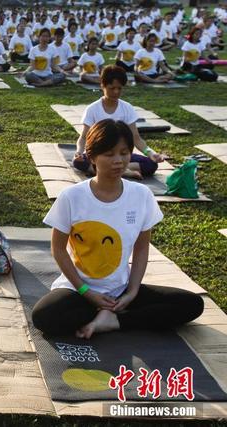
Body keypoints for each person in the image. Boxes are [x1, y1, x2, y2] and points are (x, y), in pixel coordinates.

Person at [31, 119, 203, 339]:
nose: (118, 161)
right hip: (79, 290)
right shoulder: (72, 197)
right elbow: (58, 249)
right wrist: (87, 292)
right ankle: (101, 312)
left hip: (120, 289)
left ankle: (114, 320)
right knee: (44, 316)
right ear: (92, 156)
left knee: (191, 304)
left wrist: (132, 292)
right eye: (109, 154)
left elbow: (141, 249)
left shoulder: (141, 196)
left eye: (124, 153)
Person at [74, 65, 164, 180]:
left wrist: (151, 153)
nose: (116, 92)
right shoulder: (93, 109)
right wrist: (79, 152)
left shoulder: (127, 108)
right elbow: (83, 138)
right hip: (101, 155)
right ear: (103, 86)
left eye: (119, 88)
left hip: (121, 155)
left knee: (151, 164)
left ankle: (108, 170)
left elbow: (136, 138)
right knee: (79, 163)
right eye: (112, 88)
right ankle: (124, 171)